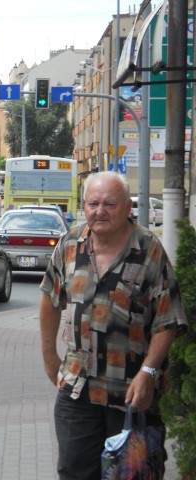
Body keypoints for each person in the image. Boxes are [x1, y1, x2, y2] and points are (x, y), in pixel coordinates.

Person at [39, 171, 188, 480]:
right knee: (73, 472)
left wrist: (148, 372)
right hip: (78, 389)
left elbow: (167, 320)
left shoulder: (149, 249)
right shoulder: (70, 244)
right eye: (93, 203)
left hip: (133, 393)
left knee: (131, 475)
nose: (100, 211)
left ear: (127, 207)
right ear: (84, 206)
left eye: (110, 203)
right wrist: (50, 358)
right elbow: (50, 300)